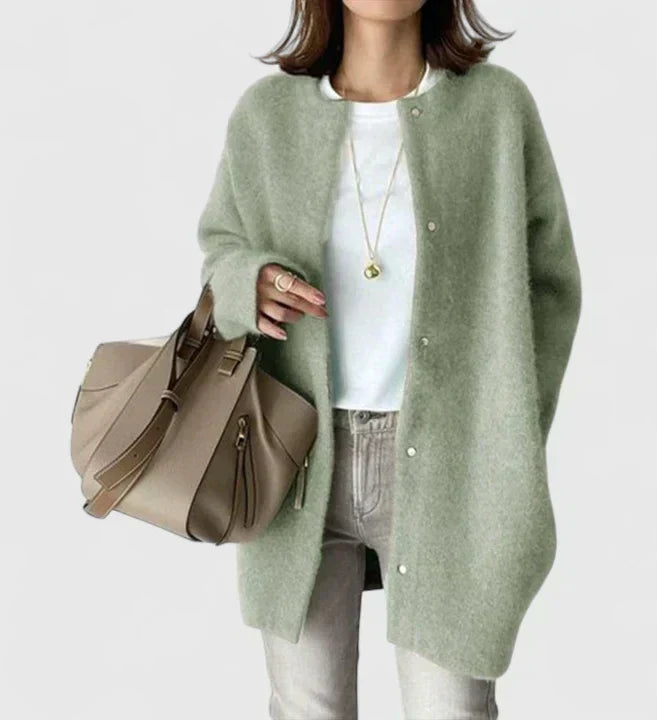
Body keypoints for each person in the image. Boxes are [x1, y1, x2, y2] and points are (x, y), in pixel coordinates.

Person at [196, 1, 582, 718]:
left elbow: (552, 285)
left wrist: (506, 434)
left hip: (450, 466)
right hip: (296, 460)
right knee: (308, 708)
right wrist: (249, 282)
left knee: (451, 708)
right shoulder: (267, 117)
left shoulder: (496, 111)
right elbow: (221, 251)